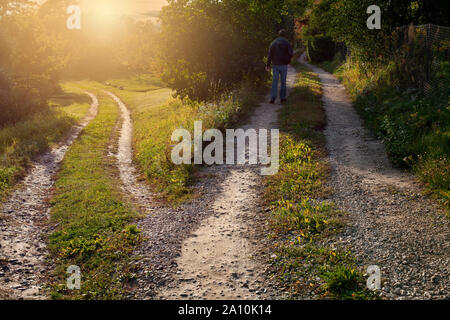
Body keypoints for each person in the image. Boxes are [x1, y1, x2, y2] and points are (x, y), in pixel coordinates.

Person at [266, 29, 293, 104]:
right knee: (283, 82)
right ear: (285, 35)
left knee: (274, 81)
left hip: (275, 65)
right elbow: (291, 53)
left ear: (279, 34)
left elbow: (270, 54)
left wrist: (268, 65)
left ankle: (272, 98)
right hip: (284, 65)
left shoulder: (274, 42)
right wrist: (288, 61)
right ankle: (282, 98)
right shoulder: (287, 42)